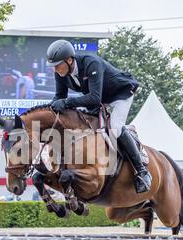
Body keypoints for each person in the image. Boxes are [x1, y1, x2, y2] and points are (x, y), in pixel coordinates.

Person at [45, 39, 151, 193]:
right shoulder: (61, 73)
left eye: (57, 65)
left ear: (69, 60)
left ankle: (142, 172)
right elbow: (59, 97)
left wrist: (66, 102)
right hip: (101, 99)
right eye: (53, 66)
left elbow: (94, 98)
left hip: (121, 94)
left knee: (115, 128)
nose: (55, 70)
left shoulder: (90, 63)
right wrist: (49, 110)